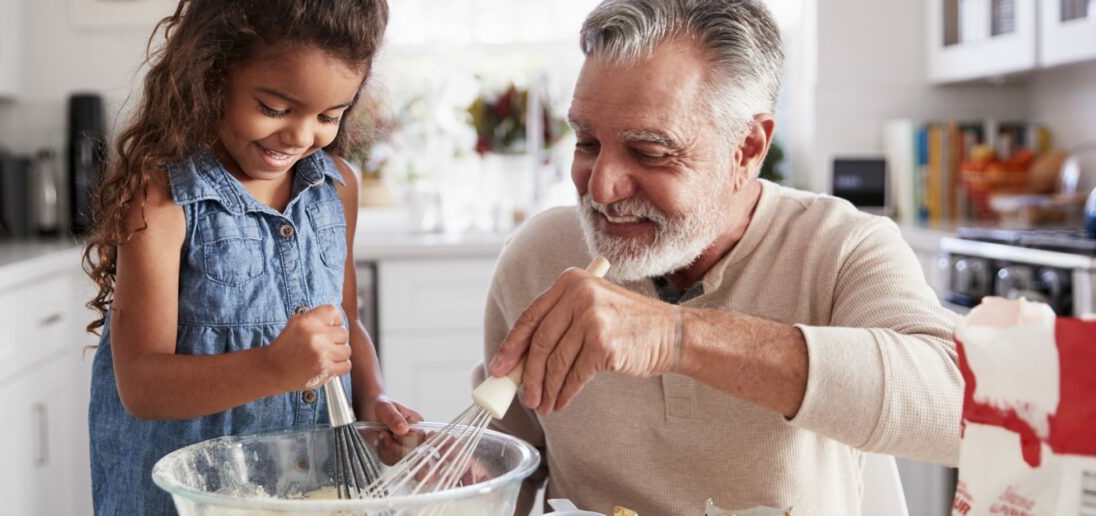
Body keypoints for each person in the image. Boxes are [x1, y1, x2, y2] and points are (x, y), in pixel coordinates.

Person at [482, 1, 961, 514]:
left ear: (747, 149)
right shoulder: (537, 257)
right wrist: (461, 472)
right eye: (587, 142)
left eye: (649, 152)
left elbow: (961, 407)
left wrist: (675, 336)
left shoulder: (840, 248)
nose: (601, 187)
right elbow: (510, 458)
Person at [82, 1, 420, 513]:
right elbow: (141, 385)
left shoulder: (336, 187)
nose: (303, 136)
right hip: (180, 498)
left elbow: (345, 322)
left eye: (329, 115)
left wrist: (374, 400)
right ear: (213, 72)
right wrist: (271, 367)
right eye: (275, 108)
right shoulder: (161, 199)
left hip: (307, 491)